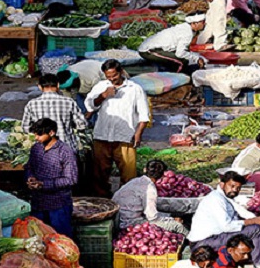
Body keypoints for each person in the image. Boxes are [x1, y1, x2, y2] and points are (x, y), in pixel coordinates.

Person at [86, 59, 150, 197]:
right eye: (108, 77)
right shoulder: (101, 86)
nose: (112, 79)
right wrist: (103, 96)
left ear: (120, 72)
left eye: (114, 76)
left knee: (128, 174)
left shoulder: (134, 89)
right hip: (102, 135)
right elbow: (90, 105)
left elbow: (144, 115)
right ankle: (102, 199)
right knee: (99, 173)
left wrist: (138, 134)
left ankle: (127, 199)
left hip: (125, 137)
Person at [188, 171, 260, 264]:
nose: (235, 190)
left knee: (251, 227)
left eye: (238, 188)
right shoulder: (216, 199)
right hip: (203, 243)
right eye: (232, 186)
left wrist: (257, 218)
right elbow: (227, 226)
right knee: (255, 230)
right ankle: (258, 266)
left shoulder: (224, 196)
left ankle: (249, 261)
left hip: (214, 238)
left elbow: (240, 210)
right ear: (222, 185)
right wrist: (252, 221)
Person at [26, 118, 79, 237]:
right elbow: (29, 167)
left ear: (51, 133)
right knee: (38, 239)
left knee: (60, 240)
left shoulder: (65, 151)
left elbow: (71, 179)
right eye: (35, 134)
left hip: (58, 206)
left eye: (39, 134)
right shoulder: (36, 148)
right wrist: (30, 177)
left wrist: (43, 184)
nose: (36, 138)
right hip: (38, 204)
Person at [112, 159, 189, 235]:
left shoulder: (135, 181)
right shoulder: (150, 189)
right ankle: (193, 242)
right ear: (162, 176)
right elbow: (152, 217)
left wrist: (167, 216)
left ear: (145, 169)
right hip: (128, 224)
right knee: (178, 226)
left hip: (116, 217)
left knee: (164, 215)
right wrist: (172, 220)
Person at [22, 74, 88, 155]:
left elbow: (25, 128)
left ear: (39, 87)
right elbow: (82, 124)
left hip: (43, 150)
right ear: (58, 85)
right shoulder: (69, 102)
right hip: (67, 148)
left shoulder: (31, 104)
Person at [138, 13, 207, 75]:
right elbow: (180, 53)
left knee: (181, 59)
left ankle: (169, 71)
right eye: (202, 22)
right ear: (195, 23)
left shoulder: (185, 27)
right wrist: (196, 58)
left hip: (157, 48)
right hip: (148, 50)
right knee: (181, 62)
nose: (204, 24)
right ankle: (177, 78)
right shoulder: (187, 33)